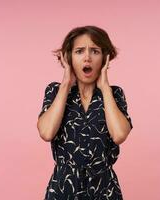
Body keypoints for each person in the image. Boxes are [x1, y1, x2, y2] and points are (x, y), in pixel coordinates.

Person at [37, 25, 133, 200]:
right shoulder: (55, 91)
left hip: (104, 190)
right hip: (63, 189)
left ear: (105, 58)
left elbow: (119, 135)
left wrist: (105, 87)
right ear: (68, 57)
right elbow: (46, 132)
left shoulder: (115, 94)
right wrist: (66, 83)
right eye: (79, 51)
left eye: (95, 51)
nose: (87, 58)